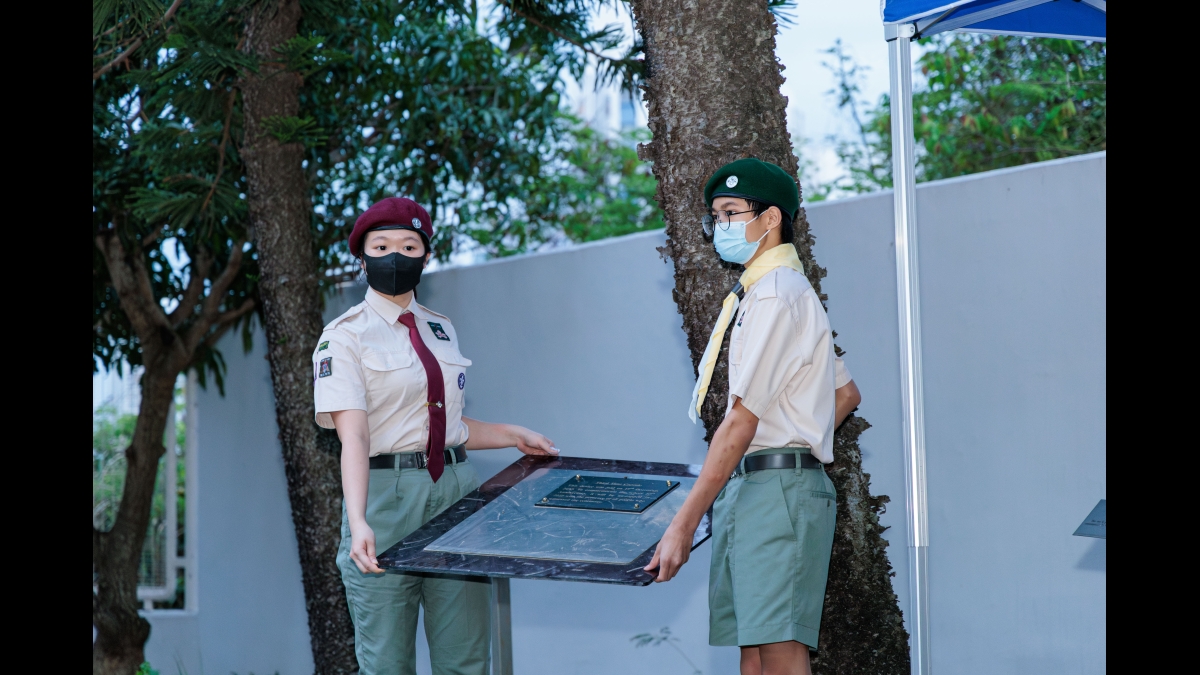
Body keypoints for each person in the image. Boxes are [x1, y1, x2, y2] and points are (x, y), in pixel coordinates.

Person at [313, 197, 558, 675]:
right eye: (381, 246)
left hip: (455, 492)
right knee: (386, 663)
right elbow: (355, 438)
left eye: (409, 246)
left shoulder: (440, 329)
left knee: (465, 658)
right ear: (361, 258)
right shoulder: (343, 336)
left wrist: (513, 434)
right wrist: (359, 520)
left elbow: (445, 428)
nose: (395, 256)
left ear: (426, 257)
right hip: (386, 499)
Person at [645, 158, 859, 675]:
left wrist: (683, 524)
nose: (720, 226)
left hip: (777, 489)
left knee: (779, 654)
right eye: (716, 216)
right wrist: (801, 427)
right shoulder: (766, 292)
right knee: (755, 655)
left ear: (771, 219)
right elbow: (846, 394)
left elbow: (741, 422)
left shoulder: (777, 295)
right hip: (757, 486)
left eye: (731, 212)